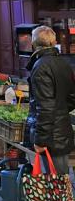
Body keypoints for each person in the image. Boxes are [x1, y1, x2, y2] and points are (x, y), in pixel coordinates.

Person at [25, 25, 75, 175]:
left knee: (55, 182)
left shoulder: (40, 66)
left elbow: (45, 106)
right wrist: (60, 111)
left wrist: (41, 140)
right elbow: (72, 97)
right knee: (59, 179)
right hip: (61, 131)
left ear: (34, 44)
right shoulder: (64, 64)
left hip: (51, 136)